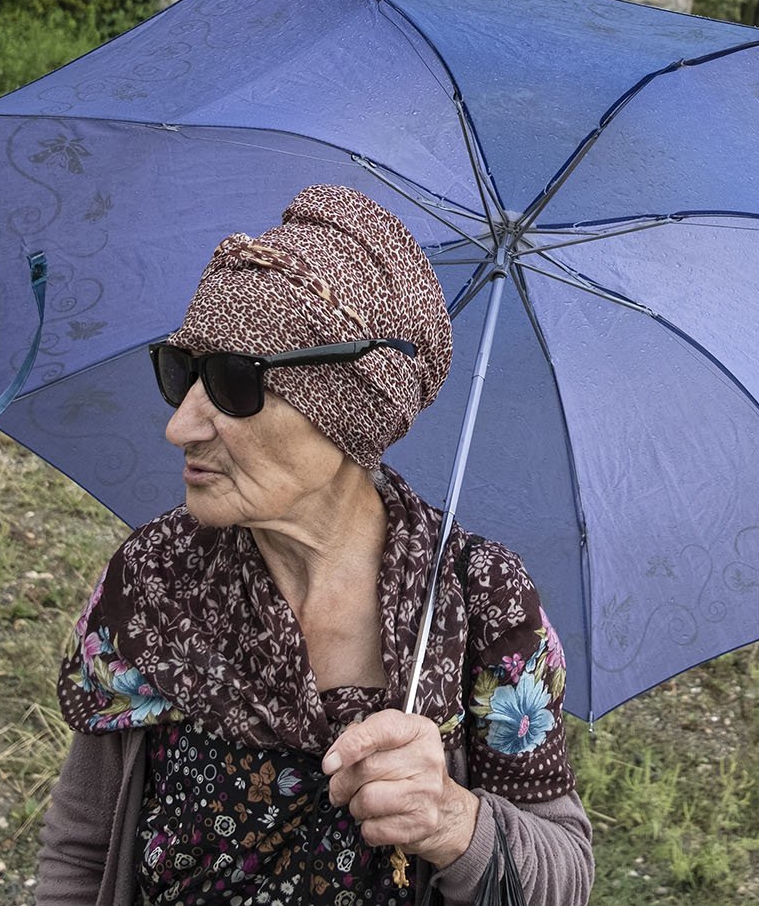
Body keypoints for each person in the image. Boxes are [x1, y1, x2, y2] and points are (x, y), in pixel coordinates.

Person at [35, 184, 594, 906]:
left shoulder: (479, 601)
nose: (180, 426)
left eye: (234, 383)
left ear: (348, 417)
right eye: (182, 373)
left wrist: (454, 820)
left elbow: (565, 875)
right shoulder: (156, 578)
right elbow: (81, 850)